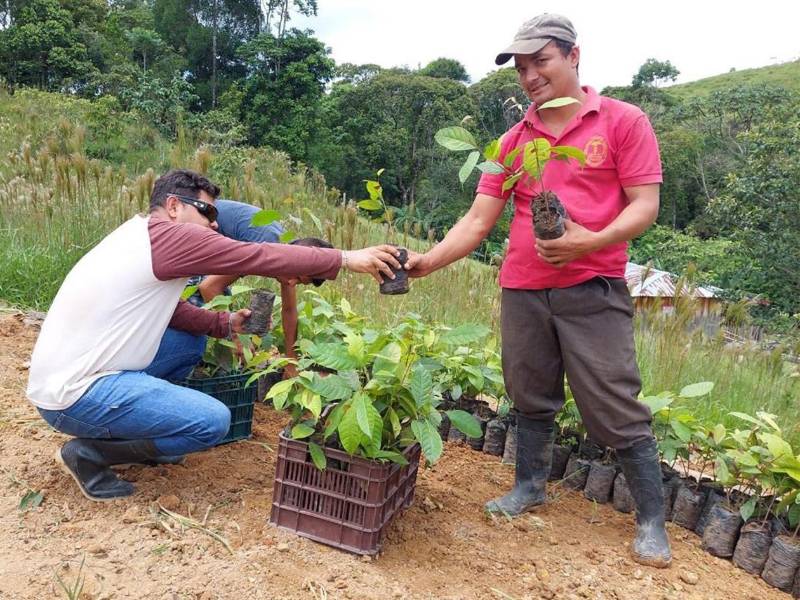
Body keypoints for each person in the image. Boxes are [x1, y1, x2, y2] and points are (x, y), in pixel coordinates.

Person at [404, 14, 670, 567]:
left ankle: (651, 519)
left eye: (539, 62)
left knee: (614, 400)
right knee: (529, 390)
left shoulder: (622, 122)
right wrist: (428, 262)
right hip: (524, 287)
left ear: (574, 56)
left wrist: (587, 242)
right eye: (520, 68)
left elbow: (644, 206)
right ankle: (530, 486)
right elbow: (479, 221)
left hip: (591, 284)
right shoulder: (513, 141)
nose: (529, 76)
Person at [26, 168, 400, 502]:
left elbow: (167, 309)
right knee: (211, 421)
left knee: (189, 344)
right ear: (173, 206)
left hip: (65, 382)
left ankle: (130, 435)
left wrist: (222, 325)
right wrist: (346, 259)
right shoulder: (168, 238)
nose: (215, 224)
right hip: (75, 395)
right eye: (206, 213)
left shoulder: (138, 236)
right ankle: (90, 453)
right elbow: (256, 258)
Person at [186, 199, 332, 378]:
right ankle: (191, 371)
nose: (292, 283)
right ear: (296, 256)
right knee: (195, 306)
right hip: (188, 234)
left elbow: (289, 311)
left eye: (301, 283)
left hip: (214, 248)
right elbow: (208, 287)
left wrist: (291, 361)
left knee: (225, 307)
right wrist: (235, 337)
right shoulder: (263, 251)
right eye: (297, 277)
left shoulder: (288, 255)